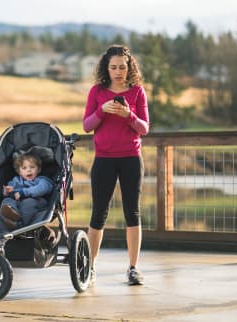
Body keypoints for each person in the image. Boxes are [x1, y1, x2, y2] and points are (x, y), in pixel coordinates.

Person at [82, 44, 149, 286]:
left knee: (132, 213)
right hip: (104, 160)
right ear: (106, 68)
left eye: (122, 67)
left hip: (131, 159)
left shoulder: (137, 92)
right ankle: (89, 268)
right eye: (113, 67)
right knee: (98, 213)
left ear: (129, 67)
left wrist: (128, 115)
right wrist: (102, 110)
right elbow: (87, 126)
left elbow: (144, 128)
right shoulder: (97, 92)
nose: (118, 71)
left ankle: (133, 268)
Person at [0, 154, 54, 231]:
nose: (28, 170)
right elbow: (9, 191)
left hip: (35, 200)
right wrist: (6, 191)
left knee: (28, 203)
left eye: (32, 167)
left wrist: (23, 192)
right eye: (24, 168)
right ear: (19, 172)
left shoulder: (41, 180)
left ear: (38, 170)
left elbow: (43, 189)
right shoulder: (16, 180)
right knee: (6, 201)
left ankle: (19, 224)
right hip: (17, 203)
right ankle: (12, 212)